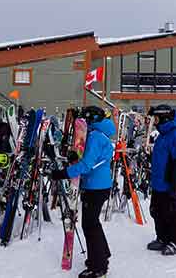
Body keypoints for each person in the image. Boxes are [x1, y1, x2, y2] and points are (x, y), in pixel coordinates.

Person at [50, 106, 115, 278]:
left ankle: (98, 266)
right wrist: (74, 158)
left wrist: (63, 173)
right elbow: (88, 160)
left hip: (96, 187)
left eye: (85, 120)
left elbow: (87, 165)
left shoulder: (94, 137)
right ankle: (102, 255)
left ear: (91, 120)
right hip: (98, 185)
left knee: (90, 225)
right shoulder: (100, 135)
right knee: (93, 223)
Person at [146, 104, 176, 256]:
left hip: (169, 183)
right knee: (157, 211)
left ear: (164, 118)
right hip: (158, 183)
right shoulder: (163, 134)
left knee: (172, 214)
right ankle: (163, 238)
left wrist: (174, 185)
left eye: (156, 118)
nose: (154, 122)